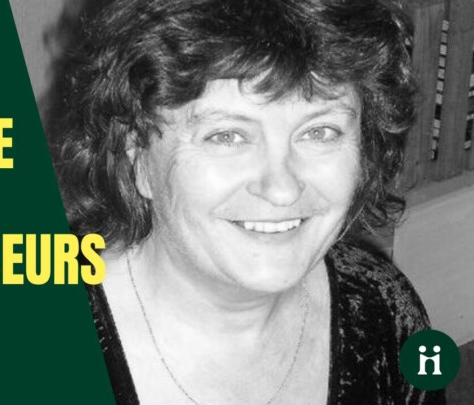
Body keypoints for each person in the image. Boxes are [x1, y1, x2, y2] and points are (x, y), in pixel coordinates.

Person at [48, 0, 445, 403]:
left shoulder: (384, 312)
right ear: (136, 155)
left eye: (319, 132)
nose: (282, 189)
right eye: (226, 136)